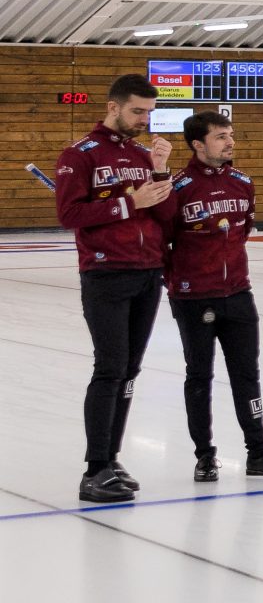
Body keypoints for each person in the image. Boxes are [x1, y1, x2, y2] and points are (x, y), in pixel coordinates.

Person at [57, 73, 174, 503]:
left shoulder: (144, 155)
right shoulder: (79, 154)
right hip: (106, 273)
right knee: (109, 367)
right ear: (113, 106)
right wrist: (130, 202)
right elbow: (70, 214)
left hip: (148, 272)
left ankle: (112, 457)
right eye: (137, 111)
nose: (144, 119)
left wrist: (161, 171)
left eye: (149, 112)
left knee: (130, 371)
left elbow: (165, 215)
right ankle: (94, 469)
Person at [158, 111, 263, 484]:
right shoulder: (178, 187)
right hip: (193, 298)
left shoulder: (242, 183)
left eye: (230, 135)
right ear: (198, 144)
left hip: (238, 293)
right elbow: (162, 239)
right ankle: (205, 457)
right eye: (220, 137)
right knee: (199, 376)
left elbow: (243, 229)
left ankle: (259, 451)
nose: (230, 142)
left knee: (247, 375)